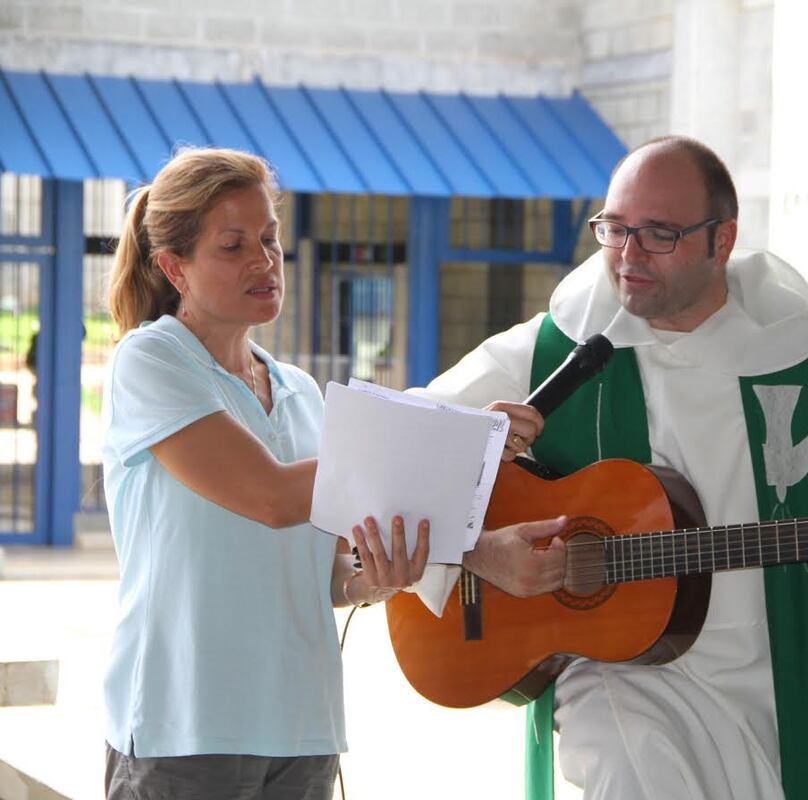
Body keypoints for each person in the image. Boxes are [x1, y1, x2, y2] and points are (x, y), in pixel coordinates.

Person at [411, 135, 808, 800]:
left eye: (658, 234)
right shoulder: (553, 350)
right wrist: (475, 547)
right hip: (612, 675)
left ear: (721, 240)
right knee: (631, 764)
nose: (628, 255)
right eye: (614, 228)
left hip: (772, 684)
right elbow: (388, 458)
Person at [99, 147, 562, 800]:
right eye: (233, 246)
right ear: (174, 267)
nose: (263, 261)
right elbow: (270, 497)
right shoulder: (150, 360)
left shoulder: (299, 392)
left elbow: (326, 573)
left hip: (302, 730)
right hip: (185, 727)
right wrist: (463, 443)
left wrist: (380, 578)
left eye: (269, 239)